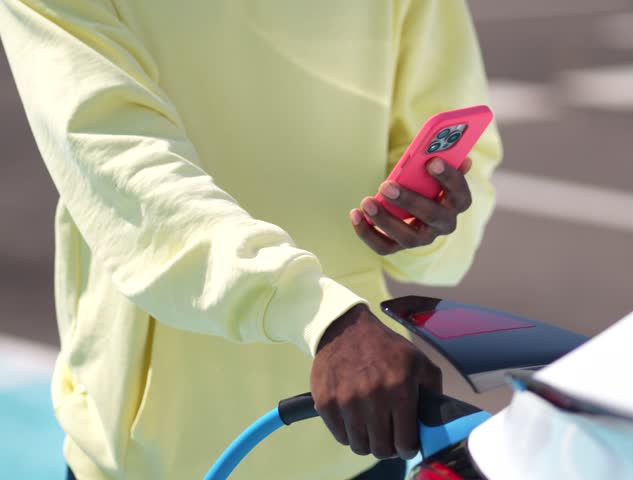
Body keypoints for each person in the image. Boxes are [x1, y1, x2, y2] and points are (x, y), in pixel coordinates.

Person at [0, 1, 502, 479]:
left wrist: (429, 221)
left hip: (358, 426)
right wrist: (317, 315)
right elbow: (121, 164)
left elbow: (461, 145)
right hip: (180, 449)